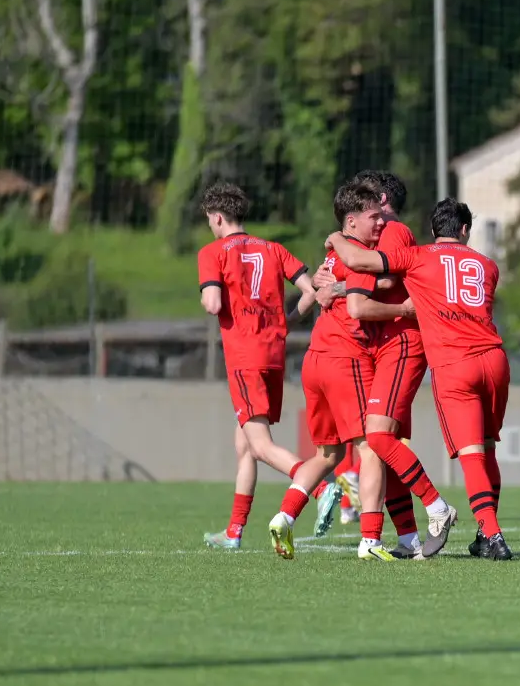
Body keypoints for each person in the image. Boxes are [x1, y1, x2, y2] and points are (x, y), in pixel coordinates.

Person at [326, 198, 513, 560]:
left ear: (432, 231)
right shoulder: (488, 266)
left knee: (471, 454)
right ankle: (483, 534)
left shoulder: (418, 256)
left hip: (455, 362)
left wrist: (336, 239)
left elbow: (359, 261)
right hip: (495, 359)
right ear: (465, 231)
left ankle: (493, 536)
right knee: (488, 448)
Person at [311, 171, 459, 559]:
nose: (371, 220)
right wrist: (325, 279)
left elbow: (371, 278)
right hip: (381, 346)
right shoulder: (373, 234)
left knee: (376, 440)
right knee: (384, 446)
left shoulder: (391, 230)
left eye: (369, 208)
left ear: (379, 201)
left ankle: (436, 507)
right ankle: (406, 537)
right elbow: (325, 292)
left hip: (400, 342)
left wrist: (337, 241)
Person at [266, 180, 413, 561]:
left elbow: (336, 288)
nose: (380, 224)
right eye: (373, 218)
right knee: (372, 449)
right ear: (351, 221)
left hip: (314, 359)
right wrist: (402, 306)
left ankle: (284, 515)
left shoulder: (334, 257)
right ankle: (370, 540)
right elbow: (365, 299)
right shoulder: (358, 254)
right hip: (345, 359)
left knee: (328, 455)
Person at [196, 182, 325, 551]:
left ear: (217, 217)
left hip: (244, 356)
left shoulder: (212, 252)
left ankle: (323, 487)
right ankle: (234, 532)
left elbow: (212, 304)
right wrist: (285, 320)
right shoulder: (274, 249)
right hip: (272, 355)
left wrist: (214, 291)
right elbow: (311, 291)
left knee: (261, 445)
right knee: (245, 447)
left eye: (209, 219)